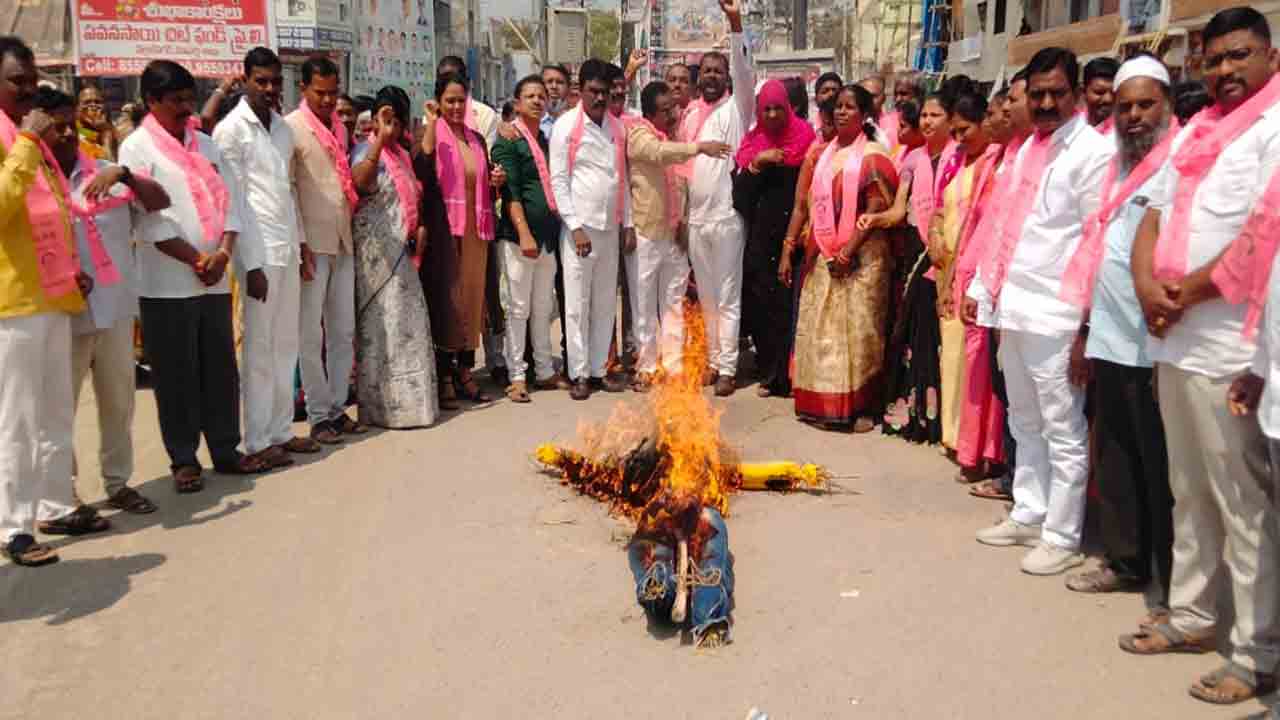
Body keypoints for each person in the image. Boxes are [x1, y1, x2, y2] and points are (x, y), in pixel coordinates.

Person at [1121, 7, 1280, 705]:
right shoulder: (1197, 133)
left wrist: (1184, 292)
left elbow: (1261, 238)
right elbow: (1150, 217)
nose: (1224, 71)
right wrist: (1149, 288)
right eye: (1214, 60)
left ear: (1271, 58)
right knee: (1190, 490)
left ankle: (1256, 652)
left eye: (1239, 56)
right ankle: (1191, 615)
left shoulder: (1274, 132)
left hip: (1232, 345)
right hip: (1176, 338)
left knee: (1242, 503)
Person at [963, 47, 1114, 576]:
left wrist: (1085, 326)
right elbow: (1004, 223)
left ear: (1075, 95)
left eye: (1058, 93)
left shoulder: (1092, 153)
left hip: (1058, 314)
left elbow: (1098, 240)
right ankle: (1029, 510)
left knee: (1063, 428)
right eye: (1039, 94)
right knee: (1024, 420)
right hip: (1014, 307)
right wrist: (985, 289)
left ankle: (1063, 533)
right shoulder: (1027, 149)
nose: (1047, 103)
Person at [1052, 57, 1175, 618]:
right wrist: (1085, 331)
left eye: (1143, 104)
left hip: (1160, 342)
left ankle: (1173, 586)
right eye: (1124, 106)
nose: (1131, 116)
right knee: (1118, 456)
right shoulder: (1118, 168)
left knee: (1163, 465)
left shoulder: (1180, 162)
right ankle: (1126, 563)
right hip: (1110, 334)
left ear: (1166, 106)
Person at [120, 59, 267, 493]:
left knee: (221, 369)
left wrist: (223, 253)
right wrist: (196, 260)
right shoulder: (136, 148)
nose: (187, 107)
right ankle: (183, 458)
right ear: (152, 101)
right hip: (167, 283)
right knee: (176, 373)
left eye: (190, 98)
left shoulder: (205, 145)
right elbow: (149, 221)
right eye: (176, 100)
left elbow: (232, 202)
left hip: (215, 276)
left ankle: (225, 447)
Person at [0, 37, 104, 566]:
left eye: (31, 78)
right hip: (12, 303)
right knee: (16, 419)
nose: (27, 88)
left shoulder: (34, 142)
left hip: (54, 294)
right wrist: (22, 144)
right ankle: (13, 526)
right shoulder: (22, 141)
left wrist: (72, 267)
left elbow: (51, 210)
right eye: (17, 80)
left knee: (56, 411)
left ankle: (54, 505)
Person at [42, 87, 169, 516]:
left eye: (68, 126)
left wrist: (127, 175)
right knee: (61, 410)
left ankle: (119, 482)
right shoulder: (36, 186)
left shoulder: (108, 172)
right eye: (56, 127)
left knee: (119, 402)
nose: (65, 135)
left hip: (115, 309)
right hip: (65, 314)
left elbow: (159, 202)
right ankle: (65, 493)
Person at [214, 47, 316, 469]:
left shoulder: (281, 128)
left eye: (275, 81)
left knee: (285, 345)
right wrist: (250, 264)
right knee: (258, 349)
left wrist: (303, 244)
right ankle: (256, 439)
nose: (270, 89)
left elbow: (288, 192)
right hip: (257, 255)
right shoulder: (230, 131)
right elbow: (233, 202)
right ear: (246, 79)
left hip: (287, 247)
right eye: (262, 81)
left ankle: (279, 431)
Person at [782, 84, 898, 432]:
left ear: (864, 115)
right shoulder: (822, 154)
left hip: (863, 256)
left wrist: (848, 250)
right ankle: (823, 403)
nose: (841, 112)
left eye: (850, 107)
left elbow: (877, 205)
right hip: (824, 253)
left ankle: (861, 409)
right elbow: (804, 204)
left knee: (859, 333)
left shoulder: (875, 154)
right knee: (824, 329)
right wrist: (790, 248)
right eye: (838, 107)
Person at [628, 81, 730, 390]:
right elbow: (658, 154)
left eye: (673, 109)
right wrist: (699, 147)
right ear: (649, 113)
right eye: (665, 110)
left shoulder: (675, 137)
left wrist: (684, 221)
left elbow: (683, 184)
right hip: (647, 231)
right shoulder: (638, 135)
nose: (672, 115)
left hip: (673, 233)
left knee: (673, 302)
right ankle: (646, 366)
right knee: (644, 304)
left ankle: (672, 366)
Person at [287, 56, 367, 444]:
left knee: (341, 330)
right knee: (309, 334)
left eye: (333, 93)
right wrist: (300, 241)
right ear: (303, 89)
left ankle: (337, 408)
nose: (328, 100)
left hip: (342, 238)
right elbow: (289, 190)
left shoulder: (338, 126)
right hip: (312, 244)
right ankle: (318, 413)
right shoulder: (292, 128)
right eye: (320, 93)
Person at [679, 0, 756, 397]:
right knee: (706, 296)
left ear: (726, 77)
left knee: (728, 295)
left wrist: (735, 25)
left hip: (726, 218)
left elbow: (746, 73)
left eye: (718, 71)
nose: (712, 76)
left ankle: (728, 367)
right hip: (696, 220)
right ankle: (711, 361)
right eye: (706, 71)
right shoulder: (690, 115)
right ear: (699, 78)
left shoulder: (737, 111)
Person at [350, 86, 437, 428]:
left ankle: (412, 407)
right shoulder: (363, 151)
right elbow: (361, 184)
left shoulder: (402, 156)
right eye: (382, 118)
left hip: (403, 255)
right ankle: (379, 410)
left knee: (407, 327)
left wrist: (420, 230)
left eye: (394, 120)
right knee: (382, 330)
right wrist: (378, 142)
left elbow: (413, 197)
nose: (388, 126)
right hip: (376, 257)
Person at [550, 59, 634, 400]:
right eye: (593, 92)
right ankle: (579, 373)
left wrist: (627, 223)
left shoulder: (618, 128)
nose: (600, 98)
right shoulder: (566, 126)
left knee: (603, 302)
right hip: (579, 230)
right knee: (576, 304)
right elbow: (558, 179)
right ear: (580, 91)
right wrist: (574, 226)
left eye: (605, 92)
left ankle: (599, 370)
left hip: (609, 228)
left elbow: (622, 178)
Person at [420, 73, 502, 408]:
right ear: (439, 101)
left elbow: (483, 183)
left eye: (460, 100)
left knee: (473, 303)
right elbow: (423, 169)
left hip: (476, 233)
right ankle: (445, 377)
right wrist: (431, 122)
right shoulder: (433, 135)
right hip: (446, 233)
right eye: (449, 100)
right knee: (448, 303)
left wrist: (496, 180)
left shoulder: (476, 138)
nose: (456, 106)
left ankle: (466, 372)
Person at [732, 79, 815, 398]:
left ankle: (792, 374)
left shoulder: (805, 140)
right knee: (763, 307)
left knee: (791, 308)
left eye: (778, 108)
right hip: (761, 239)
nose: (772, 114)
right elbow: (739, 198)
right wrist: (757, 164)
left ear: (788, 108)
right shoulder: (754, 146)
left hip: (796, 237)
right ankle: (770, 373)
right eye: (766, 108)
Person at [492, 75, 569, 402]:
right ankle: (517, 376)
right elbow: (510, 191)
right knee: (518, 307)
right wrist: (523, 232)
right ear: (517, 102)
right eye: (530, 96)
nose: (538, 100)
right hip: (519, 239)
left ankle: (543, 370)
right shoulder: (509, 141)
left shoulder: (547, 141)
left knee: (541, 307)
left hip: (548, 237)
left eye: (541, 96)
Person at [935, 91, 996, 480]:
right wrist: (936, 236)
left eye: (966, 129)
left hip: (977, 273)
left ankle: (977, 448)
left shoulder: (992, 165)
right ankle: (954, 435)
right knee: (952, 358)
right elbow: (942, 209)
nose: (959, 138)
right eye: (954, 131)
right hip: (950, 270)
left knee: (974, 366)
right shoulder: (957, 161)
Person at [77, 84, 118, 160]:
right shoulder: (74, 134)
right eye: (87, 102)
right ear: (77, 108)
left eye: (97, 102)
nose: (93, 106)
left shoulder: (112, 130)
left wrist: (105, 131)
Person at [1082, 57, 1120, 132]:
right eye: (1099, 92)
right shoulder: (1070, 125)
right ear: (1083, 92)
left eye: (1114, 93)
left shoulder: (1124, 132)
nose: (1108, 99)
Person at [541, 64, 571, 137]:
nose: (554, 86)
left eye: (560, 82)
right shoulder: (531, 122)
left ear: (568, 88)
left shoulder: (577, 121)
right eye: (549, 81)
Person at [812, 71, 842, 136]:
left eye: (835, 90)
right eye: (825, 91)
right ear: (816, 99)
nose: (831, 94)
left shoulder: (851, 127)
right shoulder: (810, 128)